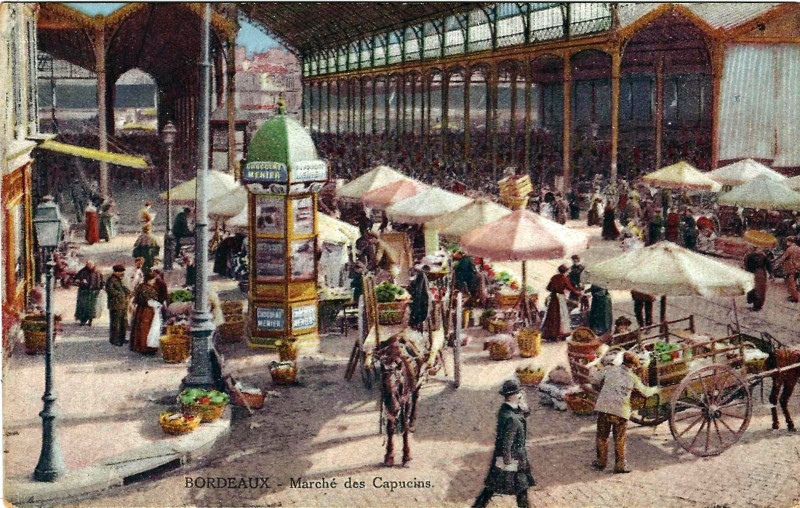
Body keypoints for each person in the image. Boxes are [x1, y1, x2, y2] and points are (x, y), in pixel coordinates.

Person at [590, 352, 659, 473]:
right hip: (621, 411)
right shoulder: (633, 378)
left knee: (602, 436)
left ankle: (601, 461)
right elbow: (645, 392)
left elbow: (595, 381)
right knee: (620, 438)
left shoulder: (609, 369)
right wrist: (656, 389)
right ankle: (620, 465)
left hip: (604, 408)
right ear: (632, 365)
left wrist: (604, 389)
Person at [473, 379, 535, 508]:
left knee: (493, 486)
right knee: (520, 487)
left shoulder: (506, 409)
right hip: (513, 458)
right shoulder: (512, 418)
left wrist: (523, 405)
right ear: (513, 395)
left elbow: (523, 414)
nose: (521, 395)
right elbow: (507, 443)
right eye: (519, 393)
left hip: (508, 457)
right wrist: (508, 462)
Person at [542, 264, 581, 342]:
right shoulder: (564, 278)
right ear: (565, 271)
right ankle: (560, 334)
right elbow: (571, 289)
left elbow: (548, 288)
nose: (568, 273)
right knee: (561, 315)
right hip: (560, 298)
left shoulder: (554, 277)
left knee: (552, 315)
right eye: (567, 271)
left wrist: (555, 290)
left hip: (553, 298)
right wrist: (578, 293)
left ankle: (551, 334)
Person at [129, 271, 161, 354]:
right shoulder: (146, 288)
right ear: (149, 280)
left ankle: (140, 346)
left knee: (141, 328)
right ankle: (144, 347)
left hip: (142, 309)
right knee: (145, 328)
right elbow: (147, 300)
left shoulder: (141, 286)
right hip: (146, 310)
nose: (154, 282)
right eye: (153, 280)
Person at [105, 264, 131, 346]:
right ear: (116, 272)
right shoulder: (111, 280)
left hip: (122, 304)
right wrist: (120, 294)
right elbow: (110, 290)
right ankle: (115, 339)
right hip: (115, 304)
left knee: (123, 322)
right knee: (116, 323)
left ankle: (121, 338)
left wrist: (127, 291)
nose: (122, 274)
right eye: (120, 272)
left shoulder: (118, 280)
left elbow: (123, 288)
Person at [74, 260, 104, 326]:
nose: (89, 266)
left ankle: (90, 320)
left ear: (93, 264)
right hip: (84, 291)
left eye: (90, 264)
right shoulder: (83, 271)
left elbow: (102, 281)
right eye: (88, 264)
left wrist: (100, 288)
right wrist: (81, 282)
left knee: (92, 307)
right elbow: (75, 279)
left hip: (94, 291)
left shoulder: (98, 272)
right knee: (83, 307)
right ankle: (83, 320)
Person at [743, 246, 772, 311]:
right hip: (761, 273)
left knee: (753, 288)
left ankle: (755, 304)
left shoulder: (750, 255)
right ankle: (758, 304)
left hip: (753, 273)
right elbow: (768, 265)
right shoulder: (764, 256)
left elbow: (747, 265)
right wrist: (771, 274)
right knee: (760, 289)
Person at [775, 237, 800, 303]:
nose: (786, 243)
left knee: (791, 283)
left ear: (790, 242)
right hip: (798, 268)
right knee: (795, 282)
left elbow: (783, 258)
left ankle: (795, 298)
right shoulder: (799, 248)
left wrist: (777, 264)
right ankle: (793, 295)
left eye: (787, 241)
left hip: (791, 268)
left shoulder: (789, 249)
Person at [408, 265, 431, 332]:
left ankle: (415, 324)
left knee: (419, 308)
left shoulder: (420, 275)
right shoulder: (421, 275)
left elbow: (418, 292)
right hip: (421, 300)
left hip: (420, 300)